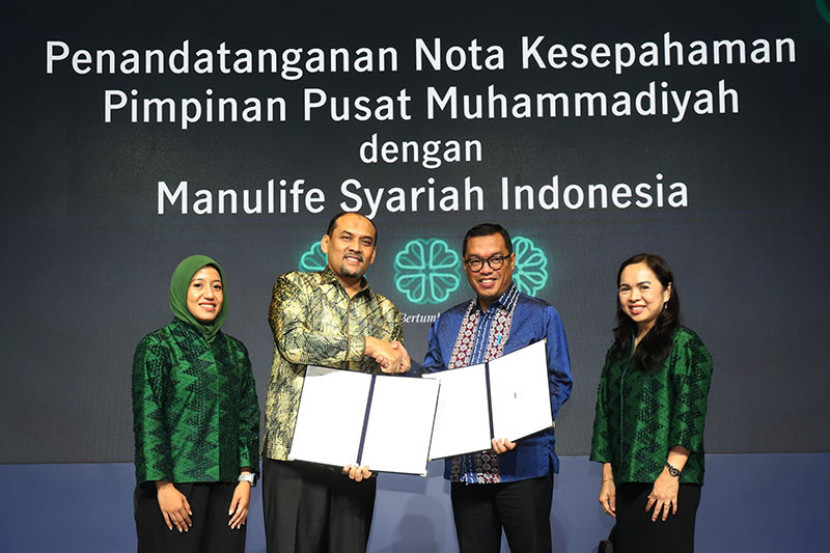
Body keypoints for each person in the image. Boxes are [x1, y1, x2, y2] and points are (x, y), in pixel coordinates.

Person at [262, 212, 411, 553]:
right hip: (294, 460)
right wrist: (367, 344)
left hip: (353, 466)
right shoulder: (295, 286)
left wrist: (399, 369)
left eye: (365, 242)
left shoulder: (387, 311)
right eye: (346, 237)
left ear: (373, 254)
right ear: (326, 243)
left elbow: (385, 393)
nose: (356, 247)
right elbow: (293, 344)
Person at [421, 222, 573, 553]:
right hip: (467, 472)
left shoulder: (541, 315)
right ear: (465, 266)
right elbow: (433, 387)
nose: (485, 269)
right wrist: (405, 368)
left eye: (495, 259)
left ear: (511, 261)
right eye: (475, 261)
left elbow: (559, 381)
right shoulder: (447, 322)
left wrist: (519, 424)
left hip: (523, 469)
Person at [132, 255, 260, 553]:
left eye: (217, 286)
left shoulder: (235, 351)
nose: (209, 294)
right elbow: (149, 419)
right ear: (181, 290)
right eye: (198, 285)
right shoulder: (158, 346)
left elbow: (247, 417)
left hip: (228, 490)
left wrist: (245, 479)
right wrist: (163, 486)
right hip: (174, 490)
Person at [590, 253, 714, 553]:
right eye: (625, 288)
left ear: (667, 291)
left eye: (644, 287)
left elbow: (689, 416)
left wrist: (670, 475)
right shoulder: (618, 352)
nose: (634, 297)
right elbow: (605, 415)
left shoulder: (684, 343)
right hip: (627, 483)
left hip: (670, 481)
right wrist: (608, 478)